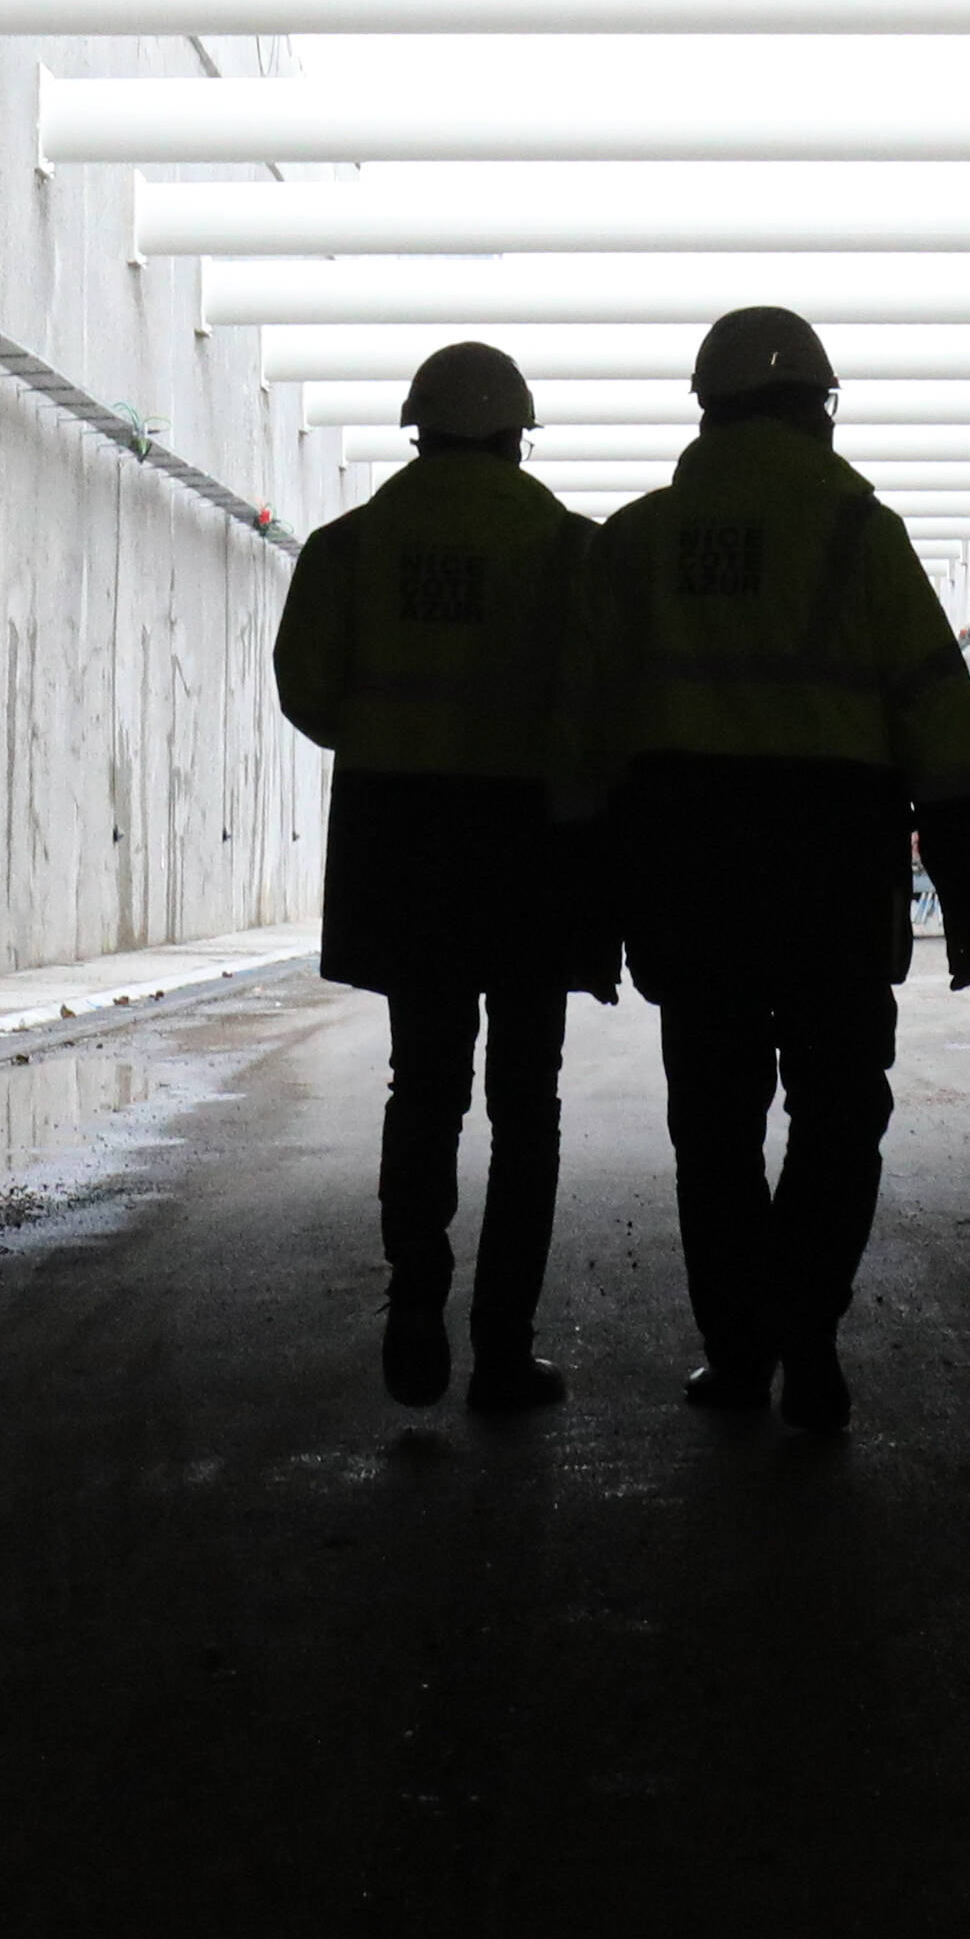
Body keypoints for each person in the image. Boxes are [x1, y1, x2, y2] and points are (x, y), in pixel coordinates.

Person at [580, 307, 970, 1434]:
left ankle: (736, 1350)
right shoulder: (859, 532)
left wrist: (592, 901)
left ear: (708, 408)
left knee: (712, 1128)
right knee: (836, 1115)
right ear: (813, 408)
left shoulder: (636, 542)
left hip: (691, 878)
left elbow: (587, 736)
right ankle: (806, 1328)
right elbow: (936, 716)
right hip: (830, 870)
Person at [272, 338, 611, 1414]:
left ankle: (413, 1298)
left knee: (423, 1081)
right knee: (527, 1101)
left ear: (417, 427)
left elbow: (306, 691)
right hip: (529, 842)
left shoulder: (348, 546)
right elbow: (605, 701)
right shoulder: (569, 549)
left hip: (403, 831)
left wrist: (390, 737)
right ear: (517, 434)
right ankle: (501, 1347)